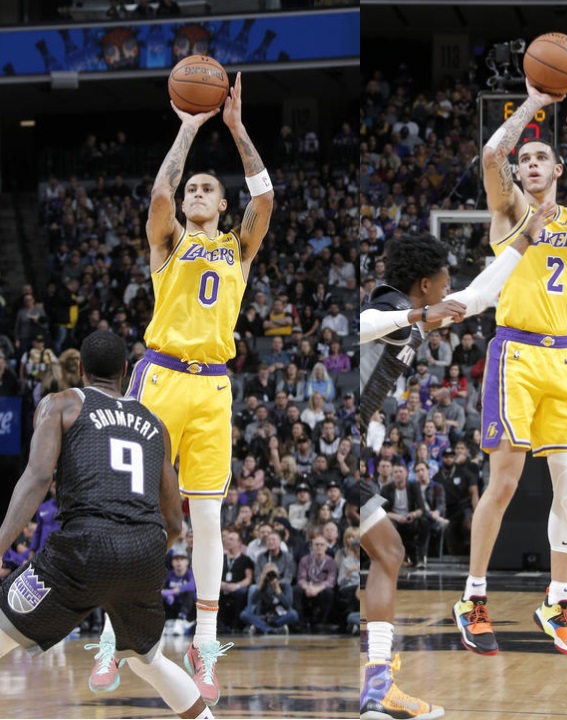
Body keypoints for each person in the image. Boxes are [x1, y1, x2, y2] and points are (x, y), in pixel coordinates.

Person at [92, 73, 274, 704]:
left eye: (207, 189)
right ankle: (115, 636)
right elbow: (159, 194)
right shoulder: (167, 244)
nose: (196, 191)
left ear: (222, 206)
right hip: (160, 377)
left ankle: (204, 642)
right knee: (132, 507)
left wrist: (238, 129)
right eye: (193, 186)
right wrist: (189, 127)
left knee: (206, 519)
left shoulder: (238, 250)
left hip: (214, 388)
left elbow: (267, 198)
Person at [352, 197, 551, 719]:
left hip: (354, 458)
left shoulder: (416, 311)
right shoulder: (391, 307)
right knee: (386, 556)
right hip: (340, 458)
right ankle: (377, 689)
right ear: (423, 286)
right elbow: (363, 322)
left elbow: (482, 295)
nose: (448, 290)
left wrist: (528, 236)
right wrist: (421, 314)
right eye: (442, 283)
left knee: (384, 557)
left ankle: (377, 688)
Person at [453, 78, 567, 660]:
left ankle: (557, 598)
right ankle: (473, 597)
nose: (529, 162)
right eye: (526, 158)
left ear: (556, 167)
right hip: (515, 355)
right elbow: (492, 154)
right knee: (503, 483)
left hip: (562, 358)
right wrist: (534, 104)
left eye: (540, 156)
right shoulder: (509, 211)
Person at [0, 331, 212, 719]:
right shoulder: (153, 423)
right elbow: (174, 524)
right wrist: (134, 556)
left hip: (84, 547)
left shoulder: (61, 405)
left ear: (80, 370)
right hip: (145, 553)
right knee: (149, 662)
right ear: (125, 372)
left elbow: (36, 478)